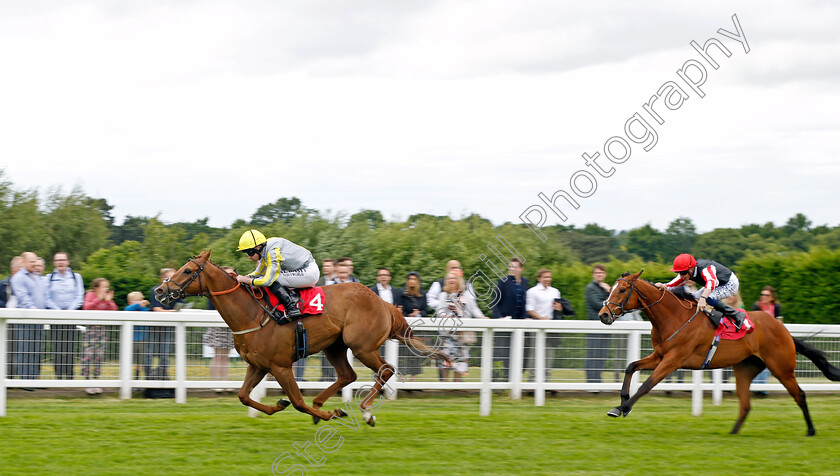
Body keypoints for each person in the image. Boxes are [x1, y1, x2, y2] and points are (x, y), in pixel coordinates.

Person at [235, 229, 320, 323]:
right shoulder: (265, 250)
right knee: (266, 277)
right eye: (246, 253)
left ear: (258, 247)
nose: (249, 257)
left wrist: (246, 280)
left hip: (309, 271)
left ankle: (292, 308)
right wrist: (242, 277)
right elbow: (257, 272)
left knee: (274, 279)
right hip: (302, 269)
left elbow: (268, 281)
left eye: (250, 252)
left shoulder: (272, 251)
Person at [655, 253, 747, 330]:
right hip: (718, 284)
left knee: (708, 297)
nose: (681, 275)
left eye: (682, 272)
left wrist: (703, 298)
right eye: (678, 272)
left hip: (729, 284)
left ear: (691, 269)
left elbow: (712, 282)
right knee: (695, 296)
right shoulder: (688, 271)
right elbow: (675, 283)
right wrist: (664, 286)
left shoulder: (705, 268)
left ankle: (737, 315)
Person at [435, 271, 485, 382]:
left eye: (454, 278)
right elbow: (439, 311)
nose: (451, 280)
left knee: (461, 357)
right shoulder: (444, 295)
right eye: (449, 278)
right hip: (448, 334)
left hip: (462, 333)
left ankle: (457, 383)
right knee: (446, 357)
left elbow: (474, 308)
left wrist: (481, 317)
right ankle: (446, 384)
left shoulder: (466, 294)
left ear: (458, 280)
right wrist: (446, 316)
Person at [44, 252, 85, 380]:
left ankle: (69, 376)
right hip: (55, 317)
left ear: (68, 261)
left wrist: (70, 311)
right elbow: (47, 298)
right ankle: (59, 377)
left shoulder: (76, 277)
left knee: (69, 347)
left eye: (63, 260)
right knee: (57, 347)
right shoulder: (49, 278)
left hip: (71, 317)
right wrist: (58, 311)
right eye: (57, 260)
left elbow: (80, 295)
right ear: (54, 263)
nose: (60, 262)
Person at [10, 252, 47, 386]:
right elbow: (24, 299)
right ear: (23, 262)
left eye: (35, 261)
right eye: (31, 262)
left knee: (36, 350)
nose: (35, 264)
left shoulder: (36, 276)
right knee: (25, 350)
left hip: (39, 319)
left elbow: (42, 296)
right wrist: (37, 313)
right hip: (26, 319)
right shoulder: (19, 278)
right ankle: (25, 382)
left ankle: (33, 379)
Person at [491, 258, 529, 381]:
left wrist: (525, 319)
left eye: (515, 267)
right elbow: (495, 302)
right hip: (504, 323)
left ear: (521, 269)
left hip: (518, 324)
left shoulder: (525, 282)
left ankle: (512, 378)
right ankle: (497, 379)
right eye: (510, 266)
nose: (511, 269)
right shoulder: (503, 282)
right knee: (502, 353)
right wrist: (499, 318)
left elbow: (524, 303)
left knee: (519, 353)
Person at [81, 277, 117, 395]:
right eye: (104, 287)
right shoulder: (90, 295)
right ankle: (87, 382)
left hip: (102, 330)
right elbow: (86, 307)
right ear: (96, 287)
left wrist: (108, 301)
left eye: (107, 287)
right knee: (88, 355)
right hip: (91, 330)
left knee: (99, 356)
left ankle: (95, 381)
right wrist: (98, 300)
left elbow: (114, 310)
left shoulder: (106, 298)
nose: (106, 289)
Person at [526, 268, 562, 381]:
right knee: (534, 354)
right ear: (539, 278)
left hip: (551, 328)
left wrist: (559, 308)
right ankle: (532, 382)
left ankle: (546, 381)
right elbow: (529, 309)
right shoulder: (532, 291)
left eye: (549, 277)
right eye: (545, 277)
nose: (548, 279)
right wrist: (541, 318)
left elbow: (559, 308)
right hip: (536, 327)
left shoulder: (555, 291)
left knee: (549, 355)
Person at [204, 266, 236, 392]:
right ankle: (215, 383)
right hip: (217, 325)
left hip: (229, 325)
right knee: (218, 355)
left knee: (226, 356)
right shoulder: (215, 290)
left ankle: (224, 382)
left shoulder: (234, 290)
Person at [148, 267, 181, 381]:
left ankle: (162, 377)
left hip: (168, 327)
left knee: (165, 354)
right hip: (153, 327)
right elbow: (156, 309)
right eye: (170, 277)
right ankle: (148, 379)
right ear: (163, 278)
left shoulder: (176, 292)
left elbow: (180, 306)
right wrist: (171, 312)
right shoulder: (156, 290)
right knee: (149, 353)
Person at [396, 271, 429, 382]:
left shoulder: (423, 294)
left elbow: (426, 311)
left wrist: (418, 313)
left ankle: (413, 379)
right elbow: (399, 310)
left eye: (414, 279)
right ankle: (402, 377)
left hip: (418, 329)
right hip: (404, 328)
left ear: (417, 281)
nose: (412, 281)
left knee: (415, 353)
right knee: (401, 352)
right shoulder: (402, 294)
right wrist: (407, 315)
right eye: (410, 279)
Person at [752, 286, 782, 393]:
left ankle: (762, 387)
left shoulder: (777, 307)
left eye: (766, 295)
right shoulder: (756, 306)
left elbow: (779, 322)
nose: (763, 297)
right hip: (759, 339)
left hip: (771, 340)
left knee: (769, 363)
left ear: (772, 297)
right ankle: (757, 387)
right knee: (758, 362)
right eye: (762, 294)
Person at [584, 265, 611, 384]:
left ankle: (598, 381)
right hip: (594, 325)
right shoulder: (590, 288)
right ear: (593, 275)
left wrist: (609, 290)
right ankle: (591, 382)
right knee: (593, 354)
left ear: (605, 274)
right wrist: (609, 295)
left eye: (601, 272)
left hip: (605, 325)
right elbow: (597, 304)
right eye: (597, 273)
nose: (599, 274)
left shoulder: (606, 288)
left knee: (602, 355)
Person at [125, 291, 152, 382]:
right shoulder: (129, 308)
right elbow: (127, 309)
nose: (137, 302)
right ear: (129, 302)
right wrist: (139, 304)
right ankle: (127, 380)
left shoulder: (143, 310)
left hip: (142, 340)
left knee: (139, 362)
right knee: (128, 361)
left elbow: (147, 313)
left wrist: (141, 306)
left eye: (139, 300)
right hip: (129, 340)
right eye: (135, 300)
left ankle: (137, 380)